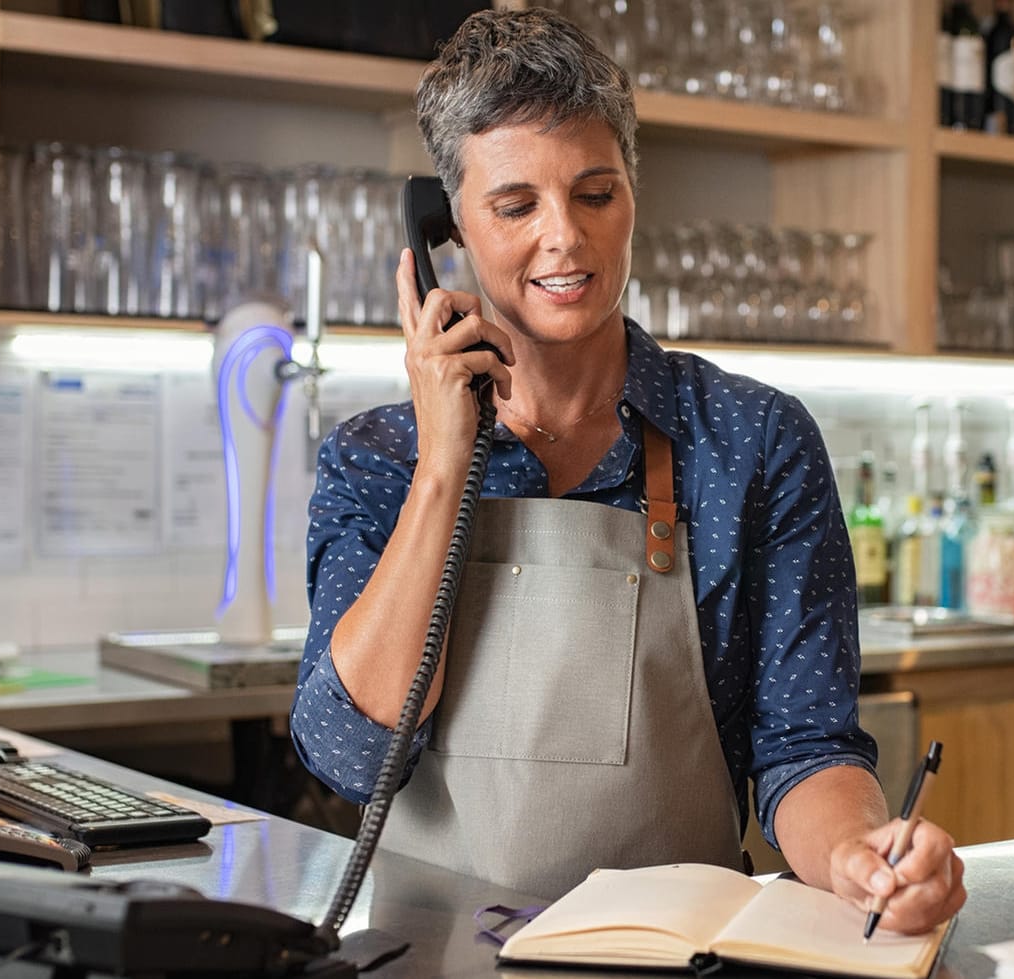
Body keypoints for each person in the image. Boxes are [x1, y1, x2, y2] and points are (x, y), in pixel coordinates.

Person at [291, 8, 964, 935]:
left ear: (634, 196)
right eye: (517, 205)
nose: (565, 237)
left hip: (681, 952)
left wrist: (858, 853)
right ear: (446, 228)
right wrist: (446, 460)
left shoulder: (754, 440)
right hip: (434, 956)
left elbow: (804, 746)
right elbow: (350, 755)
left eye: (596, 194)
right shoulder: (377, 458)